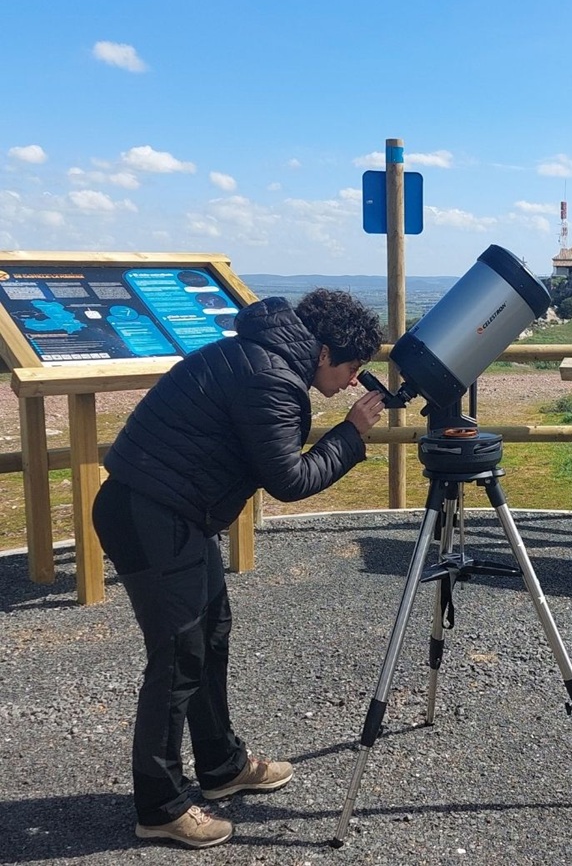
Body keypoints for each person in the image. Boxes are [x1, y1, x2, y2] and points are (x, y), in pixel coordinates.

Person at [92, 290, 385, 848]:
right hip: (150, 514)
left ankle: (222, 766)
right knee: (177, 657)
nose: (355, 379)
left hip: (171, 512)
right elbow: (290, 481)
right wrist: (350, 435)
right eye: (352, 366)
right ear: (323, 352)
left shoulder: (257, 356)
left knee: (210, 636)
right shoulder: (271, 380)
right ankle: (160, 806)